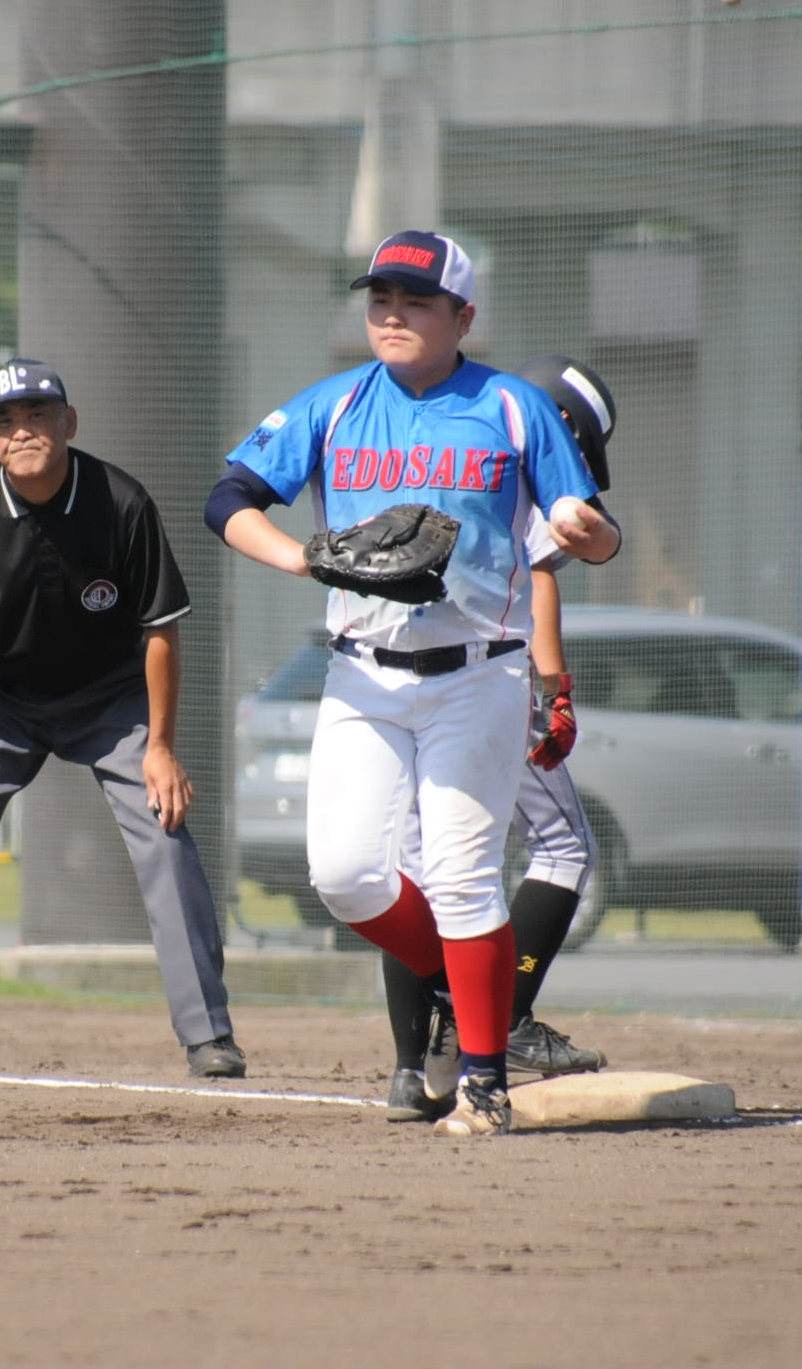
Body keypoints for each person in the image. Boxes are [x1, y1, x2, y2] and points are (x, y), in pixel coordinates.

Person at [206, 233, 617, 1134]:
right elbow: (227, 500)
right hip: (361, 676)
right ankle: (459, 994)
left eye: (416, 300)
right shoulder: (335, 403)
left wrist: (588, 532)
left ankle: (482, 1081)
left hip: (480, 676)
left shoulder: (512, 407)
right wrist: (304, 559)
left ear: (463, 316)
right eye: (380, 298)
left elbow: (586, 528)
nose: (392, 314)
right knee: (345, 875)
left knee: (464, 880)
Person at [0, 359, 244, 1079]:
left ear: (69, 422)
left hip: (113, 701)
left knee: (164, 831)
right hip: (3, 703)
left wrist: (160, 747)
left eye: (38, 414)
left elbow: (161, 631)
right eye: (4, 420)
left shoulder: (120, 501)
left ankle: (208, 1035)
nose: (23, 430)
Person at [381, 355, 621, 1122]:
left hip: (390, 671)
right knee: (562, 847)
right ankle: (502, 1016)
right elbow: (540, 575)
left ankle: (411, 1070)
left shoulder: (429, 438)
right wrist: (554, 690)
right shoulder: (523, 455)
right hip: (484, 677)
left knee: (416, 864)